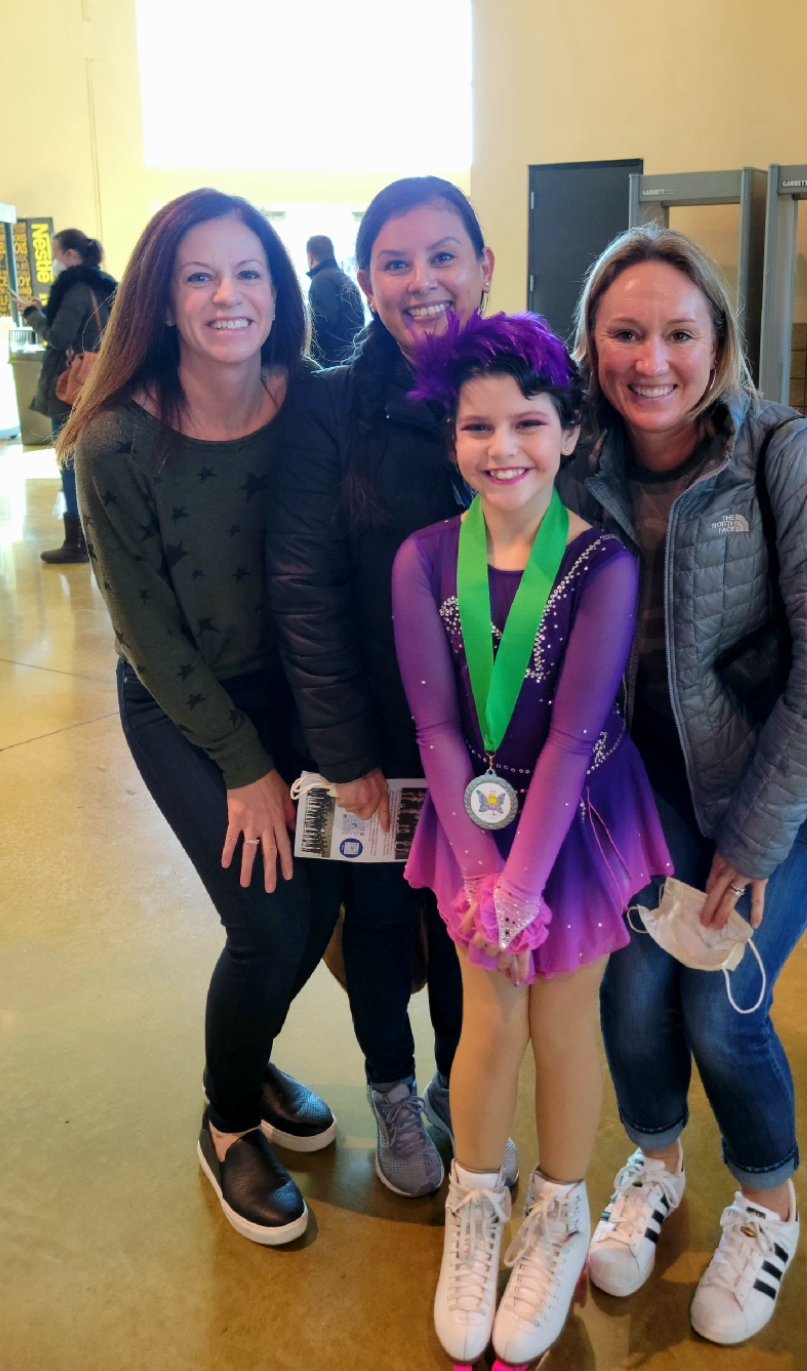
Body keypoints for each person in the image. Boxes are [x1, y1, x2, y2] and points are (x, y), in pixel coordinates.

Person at [572, 223, 807, 1344]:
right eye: (623, 332)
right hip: (646, 794)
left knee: (714, 997)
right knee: (628, 990)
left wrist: (750, 843)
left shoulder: (786, 456)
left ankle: (764, 1199)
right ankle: (652, 1166)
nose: (648, 359)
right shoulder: (574, 460)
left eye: (675, 332)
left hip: (783, 793)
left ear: (717, 343)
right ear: (589, 342)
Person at [391, 312, 673, 1367]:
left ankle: (554, 1214)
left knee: (562, 1020)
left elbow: (571, 731)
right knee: (485, 1022)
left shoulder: (599, 564)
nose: (500, 447)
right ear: (451, 438)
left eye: (525, 422)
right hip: (474, 825)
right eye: (476, 427)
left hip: (580, 818)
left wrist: (523, 890)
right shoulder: (421, 561)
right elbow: (433, 727)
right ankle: (476, 1205)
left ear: (564, 433)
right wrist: (479, 882)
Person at [66, 188, 344, 1247]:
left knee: (314, 910)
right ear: (164, 298)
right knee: (268, 917)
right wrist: (242, 765)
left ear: (277, 290)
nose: (228, 296)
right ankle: (227, 1122)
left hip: (301, 694)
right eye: (199, 275)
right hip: (186, 705)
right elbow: (144, 630)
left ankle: (248, 1053)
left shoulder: (309, 401)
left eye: (247, 274)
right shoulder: (118, 443)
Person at [267, 176, 517, 1199]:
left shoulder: (516, 394)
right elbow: (304, 588)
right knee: (374, 924)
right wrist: (340, 748)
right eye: (397, 262)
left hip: (493, 742)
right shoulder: (330, 408)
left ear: (483, 264)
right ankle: (390, 1092)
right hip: (367, 737)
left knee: (470, 929)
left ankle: (466, 1091)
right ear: (367, 281)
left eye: (442, 255)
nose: (422, 281)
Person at [19, 229, 117, 563]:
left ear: (72, 256)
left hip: (72, 386)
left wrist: (32, 315)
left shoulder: (74, 290)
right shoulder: (106, 285)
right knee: (99, 456)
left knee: (69, 459)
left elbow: (59, 338)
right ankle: (106, 534)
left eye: (57, 254)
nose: (55, 262)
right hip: (103, 381)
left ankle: (76, 542)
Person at [305, 234, 364, 367]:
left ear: (310, 256)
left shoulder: (320, 281)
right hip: (352, 360)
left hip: (330, 365)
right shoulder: (346, 280)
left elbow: (320, 324)